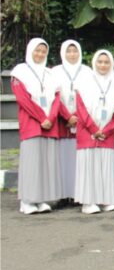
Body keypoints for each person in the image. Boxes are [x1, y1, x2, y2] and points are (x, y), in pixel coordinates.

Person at [11, 38, 63, 214]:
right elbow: (22, 99)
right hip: (32, 123)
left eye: (43, 51)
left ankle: (41, 199)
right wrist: (42, 118)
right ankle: (27, 200)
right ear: (30, 51)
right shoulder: (20, 72)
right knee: (32, 162)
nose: (40, 54)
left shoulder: (50, 74)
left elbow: (57, 98)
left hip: (50, 123)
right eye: (37, 50)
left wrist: (51, 116)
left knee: (46, 162)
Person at [74, 49, 114, 214]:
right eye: (100, 62)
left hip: (106, 134)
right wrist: (94, 129)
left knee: (105, 166)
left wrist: (107, 130)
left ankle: (106, 199)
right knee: (89, 166)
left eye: (106, 62)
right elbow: (80, 109)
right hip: (87, 132)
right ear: (94, 63)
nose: (103, 65)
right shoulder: (84, 83)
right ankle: (88, 202)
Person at [51, 40, 92, 204]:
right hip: (61, 120)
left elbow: (90, 96)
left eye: (75, 51)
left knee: (78, 159)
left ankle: (77, 193)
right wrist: (67, 116)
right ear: (63, 53)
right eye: (69, 51)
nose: (72, 54)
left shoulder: (87, 72)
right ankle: (63, 194)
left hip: (81, 120)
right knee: (62, 158)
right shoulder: (54, 72)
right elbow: (53, 97)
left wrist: (77, 115)